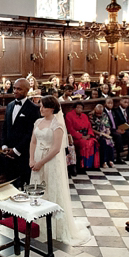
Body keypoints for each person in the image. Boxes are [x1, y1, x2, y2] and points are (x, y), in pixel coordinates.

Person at [29, 96, 91, 246]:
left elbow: (56, 149)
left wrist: (41, 163)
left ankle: (55, 228)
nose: (41, 109)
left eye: (43, 106)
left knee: (51, 190)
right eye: (40, 106)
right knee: (38, 191)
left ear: (51, 108)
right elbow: (33, 141)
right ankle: (38, 224)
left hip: (50, 161)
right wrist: (32, 160)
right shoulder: (38, 122)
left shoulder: (57, 125)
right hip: (37, 158)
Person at [1, 78, 41, 188]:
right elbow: (5, 127)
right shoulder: (10, 105)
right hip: (8, 154)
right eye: (14, 88)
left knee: (24, 186)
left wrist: (16, 150)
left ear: (27, 90)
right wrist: (4, 146)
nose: (15, 91)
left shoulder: (33, 109)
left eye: (19, 89)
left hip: (24, 154)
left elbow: (31, 134)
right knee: (9, 185)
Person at [66, 101, 98, 169]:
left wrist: (89, 135)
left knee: (94, 142)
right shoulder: (69, 115)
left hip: (86, 135)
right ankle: (83, 165)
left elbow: (89, 127)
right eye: (78, 108)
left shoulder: (84, 116)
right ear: (74, 108)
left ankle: (92, 164)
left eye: (81, 108)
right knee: (84, 143)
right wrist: (81, 136)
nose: (79, 109)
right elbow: (70, 129)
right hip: (76, 137)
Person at [111, 97, 129, 161]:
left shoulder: (128, 110)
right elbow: (115, 121)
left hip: (126, 128)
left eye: (128, 103)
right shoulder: (116, 110)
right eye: (125, 102)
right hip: (119, 129)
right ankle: (119, 156)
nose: (126, 104)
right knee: (126, 135)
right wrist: (119, 128)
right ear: (120, 102)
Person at [90, 104, 114, 168]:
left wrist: (108, 132)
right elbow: (91, 128)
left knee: (110, 141)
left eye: (101, 113)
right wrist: (100, 133)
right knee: (103, 142)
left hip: (105, 133)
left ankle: (110, 160)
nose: (100, 115)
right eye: (98, 113)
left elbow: (107, 125)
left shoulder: (104, 115)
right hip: (96, 134)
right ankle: (104, 161)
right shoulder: (91, 116)